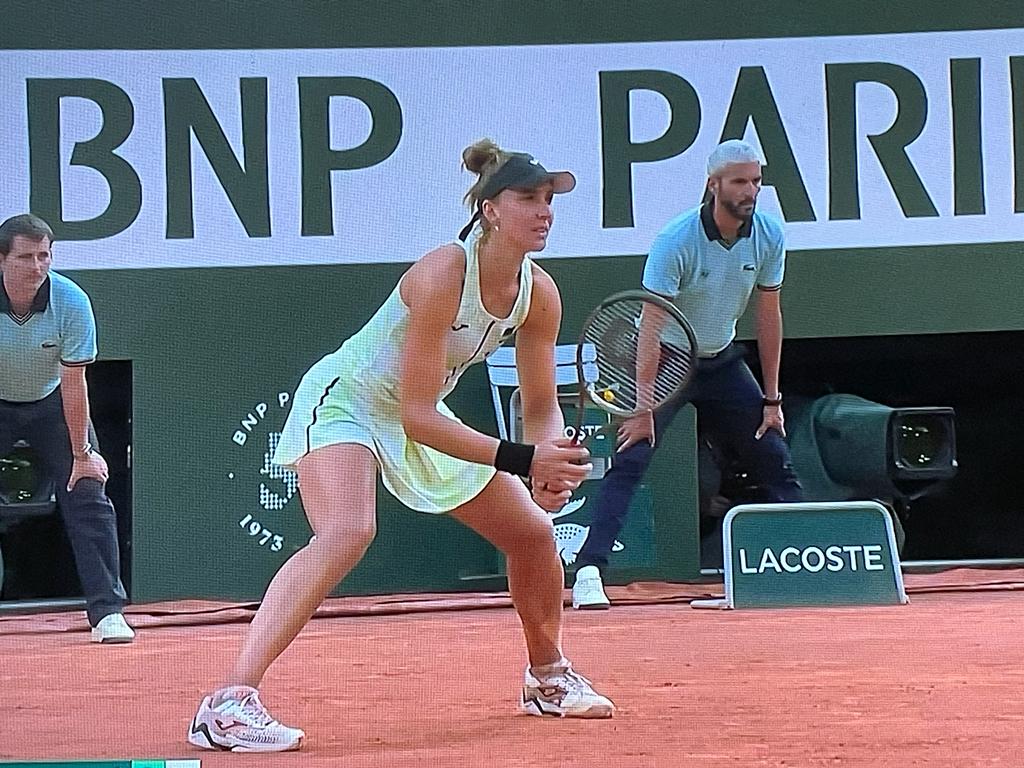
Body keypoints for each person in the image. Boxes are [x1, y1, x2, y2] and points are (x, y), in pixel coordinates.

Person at [188, 139, 615, 753]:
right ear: (491, 210)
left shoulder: (539, 294)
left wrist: (548, 461)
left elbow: (542, 407)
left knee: (531, 533)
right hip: (350, 400)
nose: (545, 211)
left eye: (549, 199)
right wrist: (525, 461)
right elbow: (417, 416)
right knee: (347, 530)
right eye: (529, 198)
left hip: (420, 410)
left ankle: (548, 677)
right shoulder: (443, 272)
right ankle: (228, 704)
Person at [571, 139, 804, 609]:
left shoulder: (769, 235)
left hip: (721, 360)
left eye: (756, 181)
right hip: (665, 361)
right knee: (631, 458)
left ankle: (810, 562)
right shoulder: (676, 241)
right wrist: (642, 408)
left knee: (773, 455)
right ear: (713, 185)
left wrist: (772, 399)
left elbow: (768, 316)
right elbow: (651, 327)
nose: (750, 191)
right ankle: (588, 572)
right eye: (739, 181)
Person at [0, 213, 134, 642]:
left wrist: (82, 455)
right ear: (1, 259)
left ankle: (108, 613)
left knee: (88, 489)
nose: (37, 266)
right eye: (25, 257)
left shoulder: (71, 302)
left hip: (51, 402)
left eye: (44, 256)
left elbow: (74, 382)